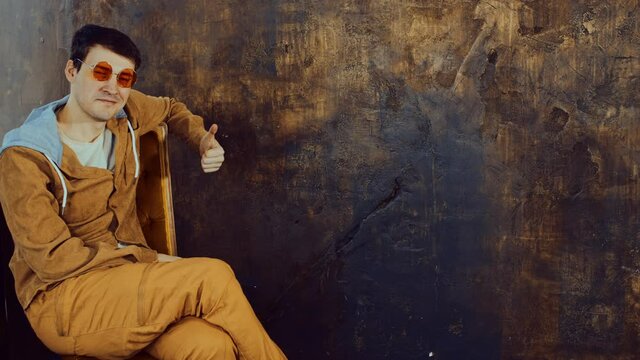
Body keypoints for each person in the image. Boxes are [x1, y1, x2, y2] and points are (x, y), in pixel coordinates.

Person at [0, 24, 286, 360]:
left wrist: (200, 140)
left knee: (208, 345)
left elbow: (171, 109)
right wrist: (148, 258)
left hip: (127, 283)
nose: (113, 87)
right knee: (213, 276)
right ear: (72, 70)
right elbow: (52, 261)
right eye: (101, 72)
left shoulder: (125, 113)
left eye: (124, 78)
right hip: (63, 300)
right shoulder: (24, 156)